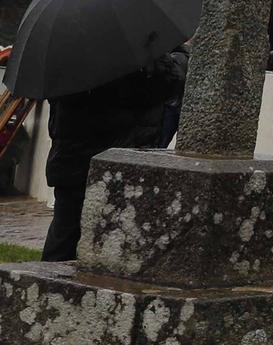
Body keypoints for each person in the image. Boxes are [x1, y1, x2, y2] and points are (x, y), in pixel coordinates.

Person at [40, 54, 187, 262]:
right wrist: (178, 57)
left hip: (73, 159)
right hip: (114, 161)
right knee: (111, 246)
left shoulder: (68, 51)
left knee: (65, 237)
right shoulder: (134, 55)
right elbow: (167, 83)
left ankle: (52, 289)